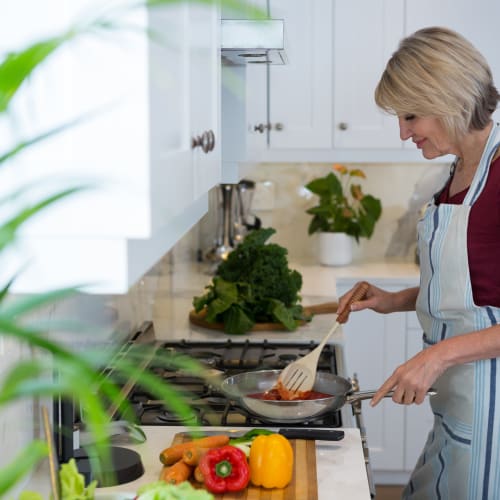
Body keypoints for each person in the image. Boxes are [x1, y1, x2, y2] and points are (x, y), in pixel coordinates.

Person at [336, 27, 500, 500]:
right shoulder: (457, 172)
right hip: (460, 402)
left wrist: (436, 356)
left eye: (410, 115)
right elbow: (475, 290)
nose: (403, 132)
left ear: (447, 98)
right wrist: (393, 301)